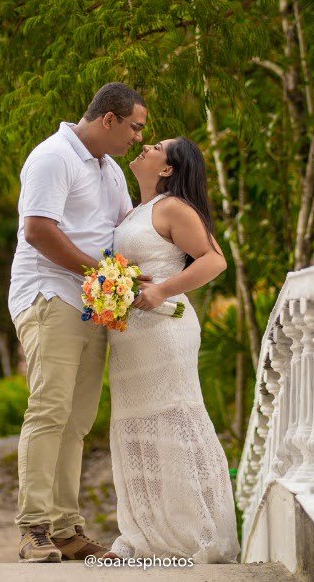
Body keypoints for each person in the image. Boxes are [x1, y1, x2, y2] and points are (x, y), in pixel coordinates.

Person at [9, 82, 147, 563]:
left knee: (77, 421)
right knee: (49, 410)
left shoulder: (110, 170)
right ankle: (33, 529)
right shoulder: (54, 157)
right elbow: (38, 230)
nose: (138, 137)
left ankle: (66, 531)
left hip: (94, 302)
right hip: (50, 294)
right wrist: (101, 273)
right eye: (135, 127)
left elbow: (128, 228)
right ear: (109, 119)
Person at [107, 137, 240, 563]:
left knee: (173, 418)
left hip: (164, 328)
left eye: (157, 146)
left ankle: (196, 533)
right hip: (130, 335)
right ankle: (147, 535)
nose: (145, 145)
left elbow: (214, 260)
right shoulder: (135, 210)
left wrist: (162, 289)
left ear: (168, 169)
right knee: (136, 425)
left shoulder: (173, 207)